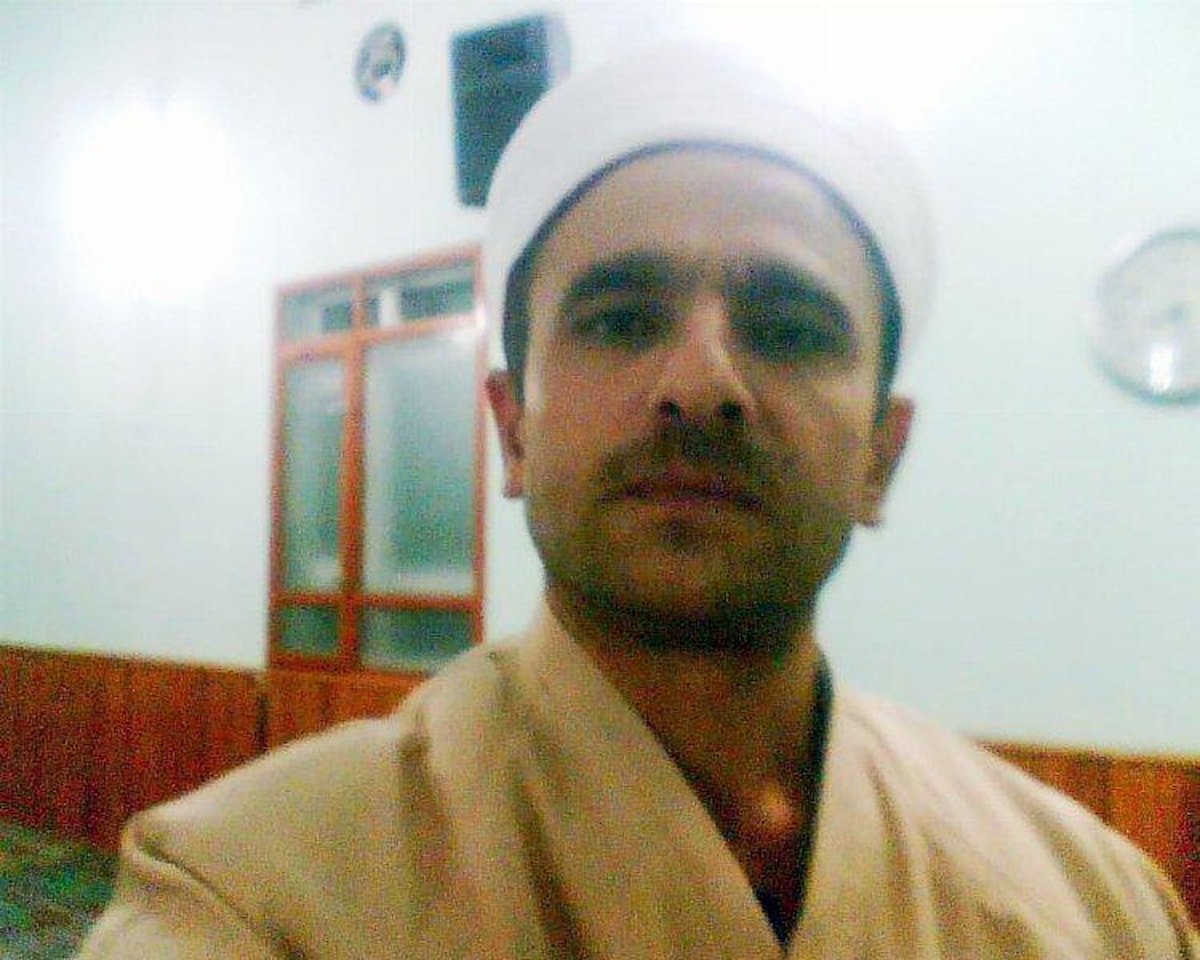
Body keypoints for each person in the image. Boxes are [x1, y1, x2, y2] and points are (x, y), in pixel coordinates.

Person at [79, 42, 1197, 959]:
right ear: (514, 428)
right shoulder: (254, 896)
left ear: (880, 455)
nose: (701, 383)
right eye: (619, 320)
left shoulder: (1097, 910)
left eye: (789, 329)